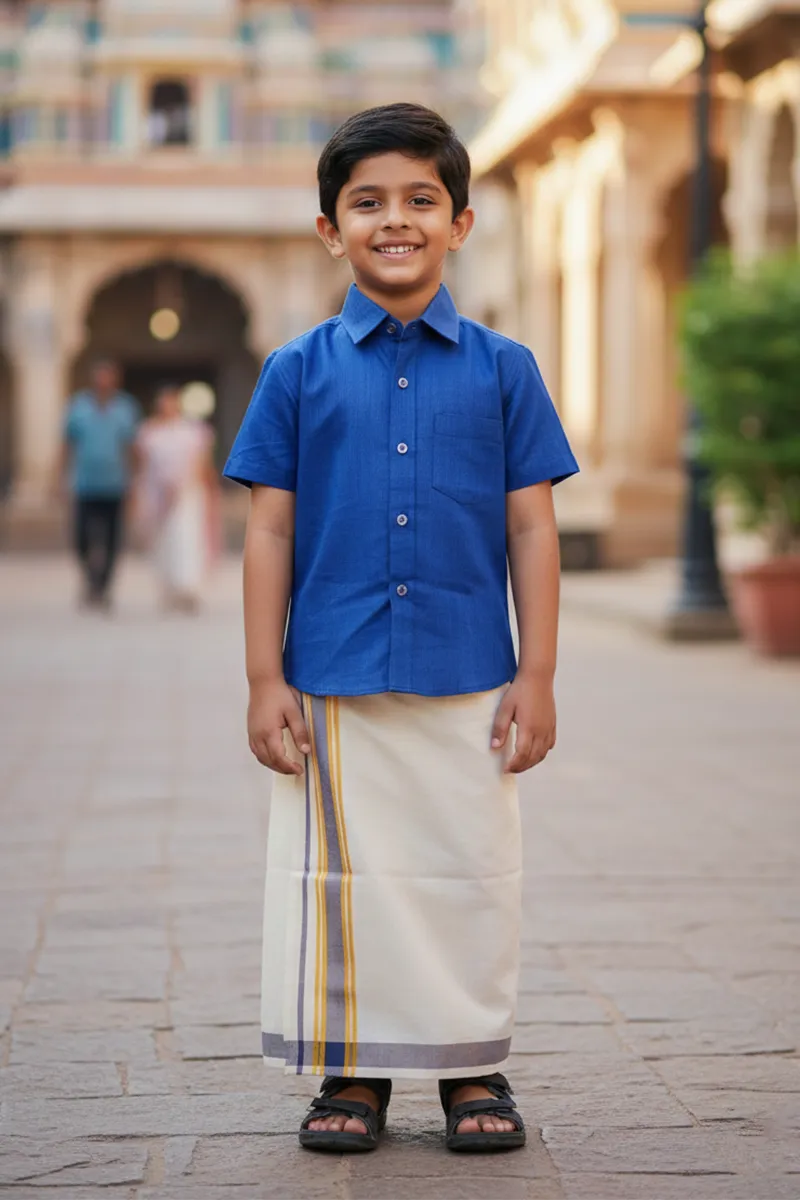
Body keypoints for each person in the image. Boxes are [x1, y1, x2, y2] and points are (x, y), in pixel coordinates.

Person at [223, 103, 579, 1154]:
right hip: (330, 674)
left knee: (468, 871)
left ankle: (472, 1067)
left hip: (471, 670)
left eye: (420, 200)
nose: (395, 220)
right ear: (329, 229)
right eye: (366, 202)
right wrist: (260, 678)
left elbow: (530, 523)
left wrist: (540, 673)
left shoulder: (504, 369)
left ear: (460, 223)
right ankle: (354, 1071)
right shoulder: (295, 370)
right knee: (346, 882)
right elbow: (268, 529)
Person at [59, 359, 140, 610]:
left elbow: (132, 447)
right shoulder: (79, 407)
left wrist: (136, 480)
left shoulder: (126, 408)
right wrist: (59, 477)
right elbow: (67, 444)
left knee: (113, 539)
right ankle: (90, 580)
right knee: (82, 538)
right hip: (85, 484)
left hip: (116, 484)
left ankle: (102, 587)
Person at [133, 383, 219, 612]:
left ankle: (188, 588)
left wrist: (188, 485)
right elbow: (142, 465)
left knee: (187, 539)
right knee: (163, 541)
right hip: (157, 493)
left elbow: (202, 463)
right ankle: (168, 586)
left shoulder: (194, 431)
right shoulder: (149, 431)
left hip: (187, 492)